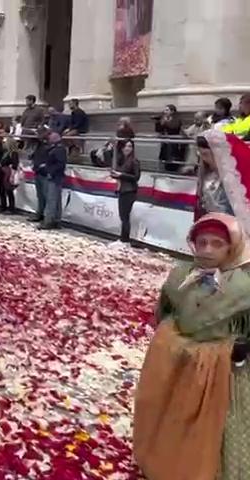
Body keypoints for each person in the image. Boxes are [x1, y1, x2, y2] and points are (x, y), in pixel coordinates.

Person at [133, 213, 250, 480]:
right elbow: (164, 310)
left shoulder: (245, 286)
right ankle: (169, 462)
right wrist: (172, 341)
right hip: (181, 365)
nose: (207, 250)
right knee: (176, 416)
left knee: (220, 426)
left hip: (226, 375)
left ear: (232, 247)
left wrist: (241, 348)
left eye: (217, 244)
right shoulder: (180, 275)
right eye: (202, 242)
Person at [33, 131, 67, 230]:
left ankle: (49, 221)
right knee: (55, 199)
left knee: (51, 199)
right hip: (55, 176)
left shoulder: (59, 150)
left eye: (50, 137)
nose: (48, 139)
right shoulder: (56, 148)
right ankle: (56, 220)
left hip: (55, 176)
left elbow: (60, 164)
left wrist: (49, 170)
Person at [111, 139, 140, 244]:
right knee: (123, 216)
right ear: (122, 148)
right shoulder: (121, 160)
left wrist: (121, 175)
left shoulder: (134, 161)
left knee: (125, 216)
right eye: (126, 146)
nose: (128, 149)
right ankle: (123, 238)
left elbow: (136, 177)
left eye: (130, 146)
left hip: (129, 190)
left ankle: (125, 240)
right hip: (122, 189)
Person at [155, 104, 185, 172]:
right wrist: (157, 122)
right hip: (165, 143)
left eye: (167, 110)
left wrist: (166, 122)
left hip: (173, 143)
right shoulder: (163, 119)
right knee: (164, 157)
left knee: (173, 158)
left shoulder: (177, 119)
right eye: (165, 110)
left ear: (172, 111)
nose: (165, 112)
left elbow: (174, 127)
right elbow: (158, 130)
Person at [0, 136, 20, 214]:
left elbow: (15, 165)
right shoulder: (5, 153)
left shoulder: (13, 153)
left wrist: (12, 176)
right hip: (2, 173)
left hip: (9, 173)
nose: (4, 144)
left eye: (5, 142)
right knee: (1, 190)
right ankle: (3, 206)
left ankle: (11, 208)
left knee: (9, 191)